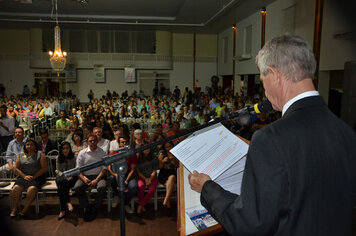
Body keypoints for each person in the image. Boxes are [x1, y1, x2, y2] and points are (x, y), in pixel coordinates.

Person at [188, 35, 356, 236]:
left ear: (274, 75)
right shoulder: (346, 132)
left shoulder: (270, 139)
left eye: (262, 80)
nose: (265, 92)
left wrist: (207, 188)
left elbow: (249, 224)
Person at [73, 134, 107, 221]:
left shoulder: (102, 152)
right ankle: (86, 207)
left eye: (94, 140)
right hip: (85, 176)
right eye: (90, 141)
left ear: (97, 141)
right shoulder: (82, 153)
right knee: (77, 187)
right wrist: (84, 178)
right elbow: (78, 169)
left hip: (99, 176)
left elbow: (104, 169)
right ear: (87, 142)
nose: (92, 142)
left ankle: (95, 207)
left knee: (102, 187)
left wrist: (97, 179)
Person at [10, 139, 47, 217]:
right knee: (16, 188)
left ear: (35, 146)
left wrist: (34, 176)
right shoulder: (21, 154)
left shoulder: (40, 154)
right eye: (27, 145)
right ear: (25, 146)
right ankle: (15, 208)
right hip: (24, 177)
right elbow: (16, 168)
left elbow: (44, 168)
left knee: (31, 189)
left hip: (37, 177)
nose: (29, 146)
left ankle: (24, 209)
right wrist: (24, 176)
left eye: (31, 145)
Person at [108, 135, 137, 213]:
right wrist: (115, 175)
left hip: (128, 176)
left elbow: (133, 169)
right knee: (112, 178)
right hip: (117, 175)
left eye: (126, 142)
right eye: (122, 142)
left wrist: (126, 181)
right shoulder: (114, 153)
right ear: (119, 143)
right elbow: (109, 167)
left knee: (133, 186)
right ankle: (116, 195)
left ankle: (125, 203)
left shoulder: (132, 154)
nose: (124, 144)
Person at [55, 142, 77, 220]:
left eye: (67, 148)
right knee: (62, 183)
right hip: (61, 177)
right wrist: (65, 176)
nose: (65, 150)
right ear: (61, 149)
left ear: (70, 149)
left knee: (61, 187)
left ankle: (63, 210)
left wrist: (70, 175)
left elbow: (76, 169)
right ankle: (68, 202)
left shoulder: (74, 157)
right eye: (63, 148)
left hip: (72, 177)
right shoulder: (58, 157)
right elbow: (57, 171)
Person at [136, 145, 158, 214]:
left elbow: (155, 170)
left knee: (152, 189)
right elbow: (138, 171)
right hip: (141, 177)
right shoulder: (138, 158)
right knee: (141, 186)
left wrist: (150, 179)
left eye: (148, 148)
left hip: (152, 176)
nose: (147, 150)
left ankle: (141, 205)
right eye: (145, 148)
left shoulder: (154, 157)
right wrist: (145, 179)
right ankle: (143, 204)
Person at [158, 141, 178, 208]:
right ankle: (167, 201)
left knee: (172, 178)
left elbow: (177, 166)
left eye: (169, 146)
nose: (168, 148)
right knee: (171, 185)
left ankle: (165, 200)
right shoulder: (162, 154)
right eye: (166, 147)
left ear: (172, 146)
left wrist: (174, 160)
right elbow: (159, 167)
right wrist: (163, 161)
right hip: (163, 173)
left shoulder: (175, 153)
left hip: (172, 172)